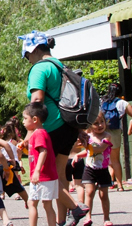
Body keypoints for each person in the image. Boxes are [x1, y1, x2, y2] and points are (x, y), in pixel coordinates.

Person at [18, 31, 89, 226]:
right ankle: (61, 220)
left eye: (27, 55)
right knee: (59, 175)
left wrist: (29, 133)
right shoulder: (60, 66)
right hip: (68, 126)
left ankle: (76, 207)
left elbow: (37, 101)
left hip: (50, 128)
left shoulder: (39, 69)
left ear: (33, 50)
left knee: (48, 177)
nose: (27, 59)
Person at [24, 102, 58, 226]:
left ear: (34, 119)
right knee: (47, 205)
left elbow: (43, 151)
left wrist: (37, 171)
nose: (23, 121)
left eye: (25, 118)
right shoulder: (40, 133)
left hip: (42, 176)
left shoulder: (38, 133)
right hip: (47, 175)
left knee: (32, 203)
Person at [81, 111, 113, 226]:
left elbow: (99, 149)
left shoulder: (107, 136)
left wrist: (86, 144)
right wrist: (78, 155)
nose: (100, 125)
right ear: (90, 125)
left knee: (103, 195)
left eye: (102, 122)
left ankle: (106, 218)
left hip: (103, 169)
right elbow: (87, 151)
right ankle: (88, 217)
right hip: (90, 168)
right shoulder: (88, 136)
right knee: (89, 192)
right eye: (96, 123)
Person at [99, 83, 129, 191]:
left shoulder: (102, 101)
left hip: (102, 132)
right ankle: (120, 185)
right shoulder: (121, 103)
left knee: (102, 159)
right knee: (115, 160)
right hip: (115, 132)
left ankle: (103, 183)